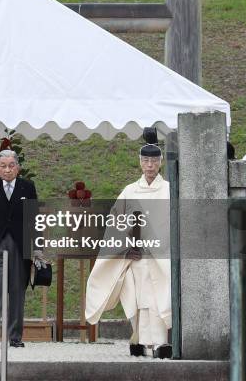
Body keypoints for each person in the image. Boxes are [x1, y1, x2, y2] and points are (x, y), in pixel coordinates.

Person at [85, 129, 172, 358]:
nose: (150, 165)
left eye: (154, 161)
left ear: (160, 162)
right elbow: (115, 223)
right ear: (140, 162)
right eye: (146, 161)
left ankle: (162, 342)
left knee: (158, 295)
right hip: (137, 254)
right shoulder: (130, 191)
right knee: (138, 298)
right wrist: (126, 247)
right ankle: (139, 340)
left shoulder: (169, 190)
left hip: (161, 255)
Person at [0, 149, 41, 348]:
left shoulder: (27, 187)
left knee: (17, 291)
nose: (7, 170)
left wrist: (37, 248)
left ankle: (15, 336)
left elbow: (34, 219)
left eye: (11, 165)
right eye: (3, 166)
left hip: (20, 246)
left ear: (18, 167)